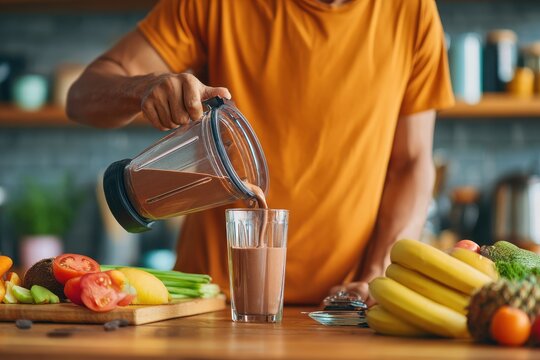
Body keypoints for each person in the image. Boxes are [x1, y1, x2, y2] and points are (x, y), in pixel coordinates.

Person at [67, 0, 454, 305]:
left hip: (344, 310)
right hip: (212, 306)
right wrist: (144, 88)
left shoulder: (411, 10)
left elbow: (412, 162)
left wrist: (375, 276)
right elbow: (82, 96)